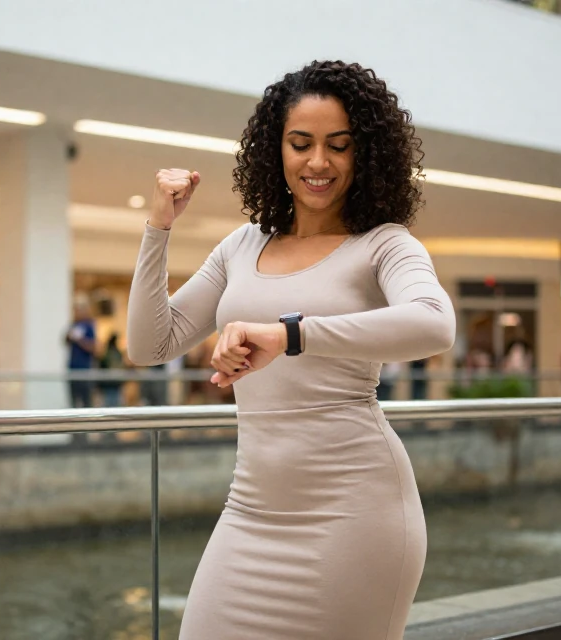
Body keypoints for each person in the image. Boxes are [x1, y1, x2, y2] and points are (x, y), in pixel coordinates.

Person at [126, 61, 455, 640]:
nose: (318, 163)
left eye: (339, 146)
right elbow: (150, 343)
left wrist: (291, 334)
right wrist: (158, 229)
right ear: (274, 150)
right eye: (300, 144)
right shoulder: (241, 246)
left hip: (354, 515)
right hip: (251, 510)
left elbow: (434, 324)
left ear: (366, 154)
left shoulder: (384, 245)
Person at [65, 301, 97, 408]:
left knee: (86, 401)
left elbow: (93, 347)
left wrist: (79, 340)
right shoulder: (73, 325)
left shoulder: (89, 326)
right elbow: (66, 341)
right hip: (73, 369)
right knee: (74, 400)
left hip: (84, 370)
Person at [97, 334, 127, 407]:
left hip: (114, 382)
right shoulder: (109, 354)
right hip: (108, 382)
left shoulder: (112, 353)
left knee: (114, 400)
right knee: (110, 400)